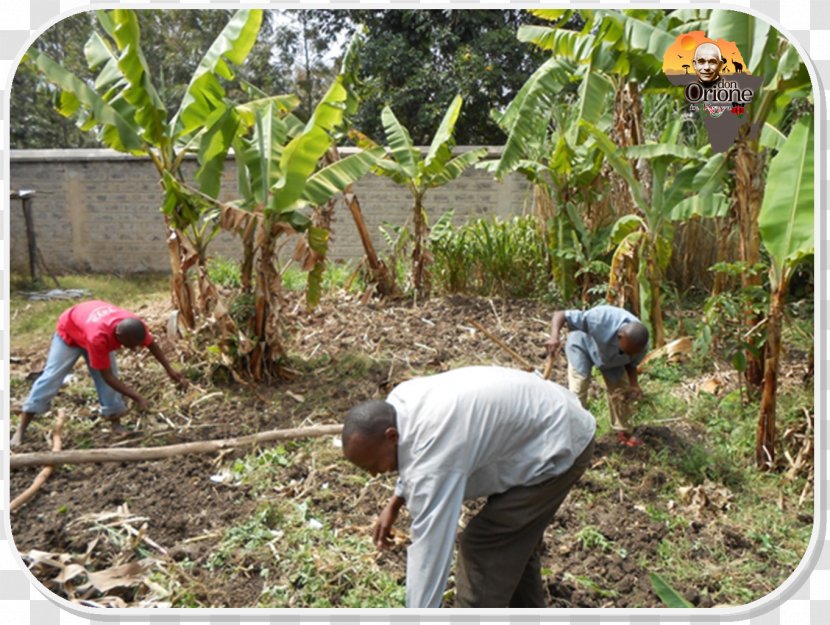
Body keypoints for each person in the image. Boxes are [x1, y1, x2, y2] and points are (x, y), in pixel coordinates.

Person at [341, 366, 595, 608]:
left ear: (391, 436)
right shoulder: (399, 402)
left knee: (484, 546)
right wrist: (396, 500)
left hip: (560, 440)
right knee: (513, 543)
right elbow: (412, 457)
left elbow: (430, 551)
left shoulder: (432, 456)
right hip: (541, 420)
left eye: (372, 464)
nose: (374, 473)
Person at [11, 300, 188, 447]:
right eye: (130, 345)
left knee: (108, 386)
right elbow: (107, 376)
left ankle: (116, 425)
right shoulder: (99, 338)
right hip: (69, 336)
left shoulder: (134, 325)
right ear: (118, 336)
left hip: (88, 324)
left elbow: (152, 344)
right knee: (51, 378)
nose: (134, 349)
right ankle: (21, 429)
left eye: (136, 344)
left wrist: (170, 370)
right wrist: (138, 398)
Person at [546, 304, 649, 447]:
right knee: (578, 389)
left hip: (612, 359)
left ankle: (624, 433)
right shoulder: (599, 319)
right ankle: (575, 436)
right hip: (582, 346)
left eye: (633, 353)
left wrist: (634, 384)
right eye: (628, 351)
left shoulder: (641, 344)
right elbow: (561, 314)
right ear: (619, 337)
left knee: (622, 392)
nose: (630, 355)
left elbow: (631, 364)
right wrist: (554, 337)